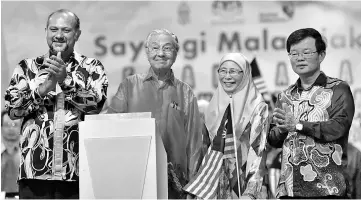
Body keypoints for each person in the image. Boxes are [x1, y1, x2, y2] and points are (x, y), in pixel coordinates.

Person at [4, 9, 108, 199]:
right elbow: (12, 110)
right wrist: (43, 89)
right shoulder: (27, 67)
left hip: (77, 173)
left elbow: (96, 105)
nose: (59, 35)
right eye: (53, 29)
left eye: (66, 30)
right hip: (33, 174)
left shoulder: (92, 67)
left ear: (77, 34)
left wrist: (65, 80)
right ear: (46, 31)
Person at [107, 29, 203, 199]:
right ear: (147, 52)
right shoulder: (129, 86)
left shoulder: (186, 93)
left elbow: (194, 144)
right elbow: (110, 128)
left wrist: (194, 187)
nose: (161, 53)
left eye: (167, 48)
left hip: (176, 185)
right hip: (135, 180)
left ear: (176, 52)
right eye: (155, 48)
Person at [268, 28, 355, 199]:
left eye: (306, 52)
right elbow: (273, 139)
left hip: (328, 189)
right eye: (294, 53)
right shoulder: (285, 95)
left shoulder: (337, 89)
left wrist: (298, 125)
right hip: (289, 190)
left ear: (321, 55)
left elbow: (338, 128)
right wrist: (283, 129)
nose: (300, 58)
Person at [184, 53, 269, 199]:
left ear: (245, 74)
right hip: (218, 184)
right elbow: (205, 150)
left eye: (234, 71)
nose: (227, 76)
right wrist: (197, 187)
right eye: (223, 71)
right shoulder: (214, 106)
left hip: (245, 183)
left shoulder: (257, 107)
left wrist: (251, 191)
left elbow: (258, 152)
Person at [1, 111, 21, 198]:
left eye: (15, 124)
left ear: (21, 127)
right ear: (1, 127)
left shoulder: (28, 155)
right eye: (7, 124)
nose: (11, 128)